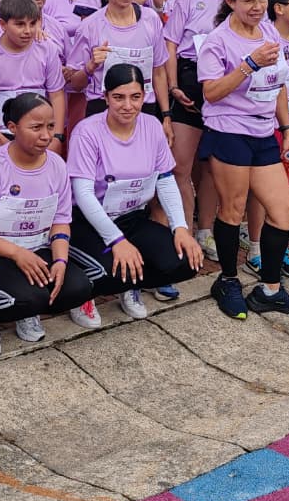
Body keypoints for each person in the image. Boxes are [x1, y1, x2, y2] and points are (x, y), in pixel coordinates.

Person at [197, 0, 289, 318]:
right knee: (233, 209)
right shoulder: (218, 40)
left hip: (263, 131)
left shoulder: (269, 30)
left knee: (283, 211)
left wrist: (285, 129)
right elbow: (210, 93)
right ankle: (227, 280)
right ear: (230, 2)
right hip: (228, 130)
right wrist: (248, 65)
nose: (257, 6)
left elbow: (278, 81)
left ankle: (269, 289)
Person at [0, 93, 95, 356]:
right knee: (29, 296)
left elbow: (61, 220)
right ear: (12, 128)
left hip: (36, 246)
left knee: (79, 287)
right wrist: (16, 253)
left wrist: (61, 261)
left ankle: (26, 310)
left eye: (51, 127)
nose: (46, 135)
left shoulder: (57, 165)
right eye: (36, 128)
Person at [66, 64, 202, 326]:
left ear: (144, 96)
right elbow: (82, 193)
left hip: (133, 217)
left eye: (135, 97)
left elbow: (164, 179)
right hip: (89, 222)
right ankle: (87, 293)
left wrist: (181, 228)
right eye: (118, 97)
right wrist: (116, 240)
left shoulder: (152, 127)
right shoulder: (87, 131)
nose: (127, 105)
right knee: (109, 271)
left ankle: (130, 281)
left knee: (186, 262)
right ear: (105, 98)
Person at [165, 0, 247, 245]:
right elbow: (171, 44)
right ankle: (184, 230)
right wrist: (173, 85)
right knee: (180, 165)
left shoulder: (243, 0)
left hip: (228, 87)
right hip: (189, 83)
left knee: (213, 166)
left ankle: (206, 230)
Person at [242, 0, 289, 279]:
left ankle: (278, 248)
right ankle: (256, 248)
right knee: (263, 193)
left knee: (288, 188)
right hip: (270, 127)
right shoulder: (267, 39)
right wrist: (283, 129)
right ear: (280, 8)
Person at [66, 0, 172, 146]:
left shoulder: (150, 20)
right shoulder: (90, 26)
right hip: (102, 110)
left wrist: (165, 116)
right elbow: (75, 83)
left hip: (143, 109)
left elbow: (158, 72)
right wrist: (90, 67)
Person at [0, 0, 67, 155]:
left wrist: (57, 136)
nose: (28, 31)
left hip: (41, 132)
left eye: (33, 23)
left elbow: (56, 94)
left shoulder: (47, 48)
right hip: (2, 131)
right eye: (20, 24)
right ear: (3, 24)